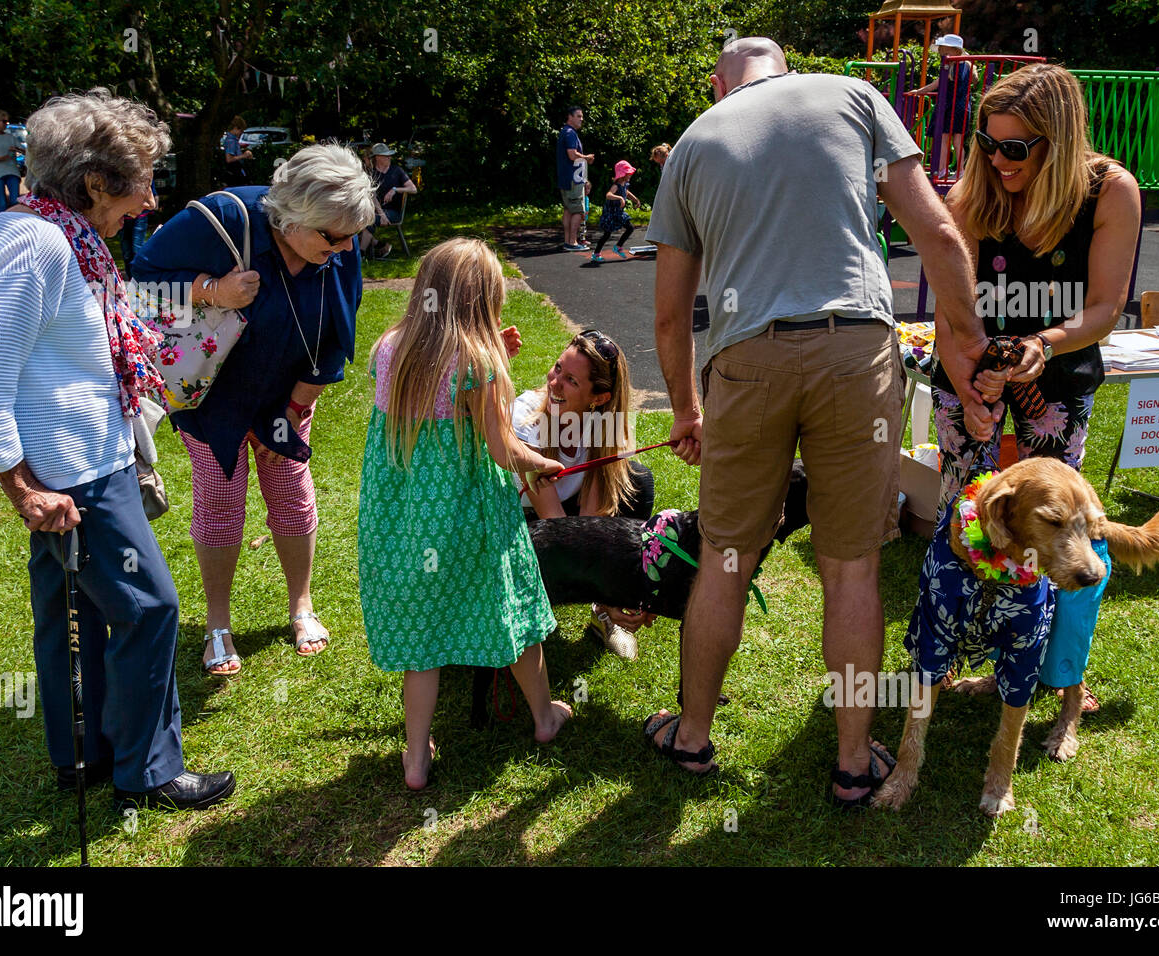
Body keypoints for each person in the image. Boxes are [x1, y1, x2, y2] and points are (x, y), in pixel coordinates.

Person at [644, 38, 986, 805]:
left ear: (718, 80)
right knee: (853, 564)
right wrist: (966, 344)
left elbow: (669, 319)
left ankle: (693, 736)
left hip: (747, 360)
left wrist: (687, 411)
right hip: (855, 352)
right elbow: (937, 233)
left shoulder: (694, 141)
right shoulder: (854, 96)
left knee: (727, 555)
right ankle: (853, 759)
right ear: (788, 70)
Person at [0, 89, 235, 811]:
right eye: (139, 180)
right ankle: (148, 772)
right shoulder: (40, 244)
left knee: (72, 615)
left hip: (72, 466)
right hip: (74, 474)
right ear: (96, 182)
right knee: (151, 608)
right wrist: (24, 488)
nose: (148, 198)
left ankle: (82, 754)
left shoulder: (49, 233)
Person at [933, 62, 1142, 717]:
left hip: (1058, 380)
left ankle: (1045, 670)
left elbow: (1106, 307)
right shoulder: (971, 194)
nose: (997, 160)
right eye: (987, 144)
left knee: (1058, 534)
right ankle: (955, 657)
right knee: (968, 523)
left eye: (1015, 148)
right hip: (969, 374)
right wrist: (967, 385)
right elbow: (948, 309)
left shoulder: (1110, 192)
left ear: (1059, 140)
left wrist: (1042, 344)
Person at [131, 143, 372, 676]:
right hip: (211, 400)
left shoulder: (338, 238)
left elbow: (341, 327)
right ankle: (219, 624)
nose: (347, 246)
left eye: (353, 234)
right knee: (220, 500)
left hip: (288, 397)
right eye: (333, 237)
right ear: (292, 217)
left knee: (291, 491)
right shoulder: (219, 218)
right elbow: (136, 291)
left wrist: (297, 403)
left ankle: (301, 606)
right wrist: (212, 291)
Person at [358, 237, 572, 789]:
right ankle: (545, 717)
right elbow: (502, 447)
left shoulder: (390, 346)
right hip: (469, 515)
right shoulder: (476, 362)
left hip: (404, 518)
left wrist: (494, 359)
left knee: (422, 639)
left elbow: (436, 387)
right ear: (482, 301)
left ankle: (414, 758)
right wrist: (540, 463)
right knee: (513, 613)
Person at [514, 329, 656, 658]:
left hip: (564, 520)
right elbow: (560, 530)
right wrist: (607, 589)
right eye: (557, 368)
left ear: (599, 398)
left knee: (637, 482)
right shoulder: (525, 417)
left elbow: (592, 522)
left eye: (571, 381)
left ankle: (604, 617)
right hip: (520, 524)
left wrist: (610, 589)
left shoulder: (601, 424)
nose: (554, 382)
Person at [907, 35, 972, 177]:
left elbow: (936, 84)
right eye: (942, 51)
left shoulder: (951, 67)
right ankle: (960, 171)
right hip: (962, 106)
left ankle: (942, 169)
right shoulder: (967, 65)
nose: (943, 54)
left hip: (949, 106)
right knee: (958, 140)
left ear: (956, 52)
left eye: (946, 51)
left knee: (943, 137)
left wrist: (919, 91)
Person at [362, 143, 416, 260]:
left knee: (368, 220)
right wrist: (381, 214)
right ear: (377, 157)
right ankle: (378, 246)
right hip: (377, 211)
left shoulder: (397, 170)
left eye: (390, 155)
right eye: (386, 156)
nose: (389, 157)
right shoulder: (371, 174)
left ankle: (361, 255)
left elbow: (413, 189)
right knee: (358, 219)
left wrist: (395, 189)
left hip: (394, 212)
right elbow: (372, 196)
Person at [557, 106, 594, 251]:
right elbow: (572, 155)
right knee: (578, 210)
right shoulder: (570, 133)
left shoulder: (564, 132)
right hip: (573, 179)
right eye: (578, 116)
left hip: (566, 178)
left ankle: (568, 240)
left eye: (582, 116)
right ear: (570, 117)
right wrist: (587, 158)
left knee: (568, 209)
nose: (581, 119)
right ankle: (572, 242)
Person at [591, 161, 641, 262]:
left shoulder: (625, 184)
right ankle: (596, 254)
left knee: (630, 228)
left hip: (619, 212)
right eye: (628, 173)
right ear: (622, 174)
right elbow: (608, 195)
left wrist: (636, 200)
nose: (630, 175)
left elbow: (627, 192)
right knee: (607, 235)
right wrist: (620, 198)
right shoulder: (616, 186)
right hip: (611, 213)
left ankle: (618, 247)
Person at [221, 115, 253, 186]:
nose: (241, 133)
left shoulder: (234, 140)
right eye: (241, 130)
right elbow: (229, 159)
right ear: (235, 128)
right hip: (234, 172)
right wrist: (244, 156)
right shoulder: (231, 141)